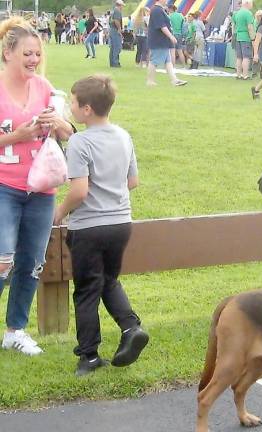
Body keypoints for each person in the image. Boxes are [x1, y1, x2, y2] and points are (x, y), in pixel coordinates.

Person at [53, 75, 148, 376]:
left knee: (86, 290)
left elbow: (79, 191)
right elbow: (132, 181)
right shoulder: (123, 135)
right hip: (121, 222)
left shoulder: (80, 142)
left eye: (73, 102)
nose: (70, 106)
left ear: (87, 109)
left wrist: (60, 212)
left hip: (89, 227)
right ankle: (131, 328)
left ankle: (89, 355)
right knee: (109, 280)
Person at [0, 17, 74, 355]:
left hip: (42, 189)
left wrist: (60, 124)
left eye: (37, 54)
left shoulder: (45, 88)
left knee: (31, 262)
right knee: (3, 261)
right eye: (27, 54)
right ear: (8, 53)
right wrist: (19, 136)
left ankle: (16, 330)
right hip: (5, 187)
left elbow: (68, 131)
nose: (33, 60)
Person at [146, 0, 187, 87]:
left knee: (168, 62)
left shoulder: (159, 9)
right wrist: (171, 36)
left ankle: (174, 80)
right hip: (158, 41)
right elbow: (162, 26)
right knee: (154, 61)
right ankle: (150, 81)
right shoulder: (157, 10)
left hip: (162, 40)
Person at [232, 0, 255, 80]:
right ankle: (245, 75)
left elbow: (234, 26)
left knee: (239, 57)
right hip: (246, 37)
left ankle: (238, 74)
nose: (252, 6)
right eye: (252, 4)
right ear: (247, 3)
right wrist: (253, 38)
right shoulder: (248, 13)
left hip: (238, 36)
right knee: (246, 57)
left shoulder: (236, 13)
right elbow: (250, 27)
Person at [109, 0, 124, 68]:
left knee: (113, 47)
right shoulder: (117, 11)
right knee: (117, 47)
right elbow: (116, 20)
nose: (122, 7)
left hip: (112, 29)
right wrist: (119, 29)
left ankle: (112, 62)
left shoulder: (113, 11)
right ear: (119, 5)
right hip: (115, 30)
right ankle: (115, 63)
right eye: (122, 6)